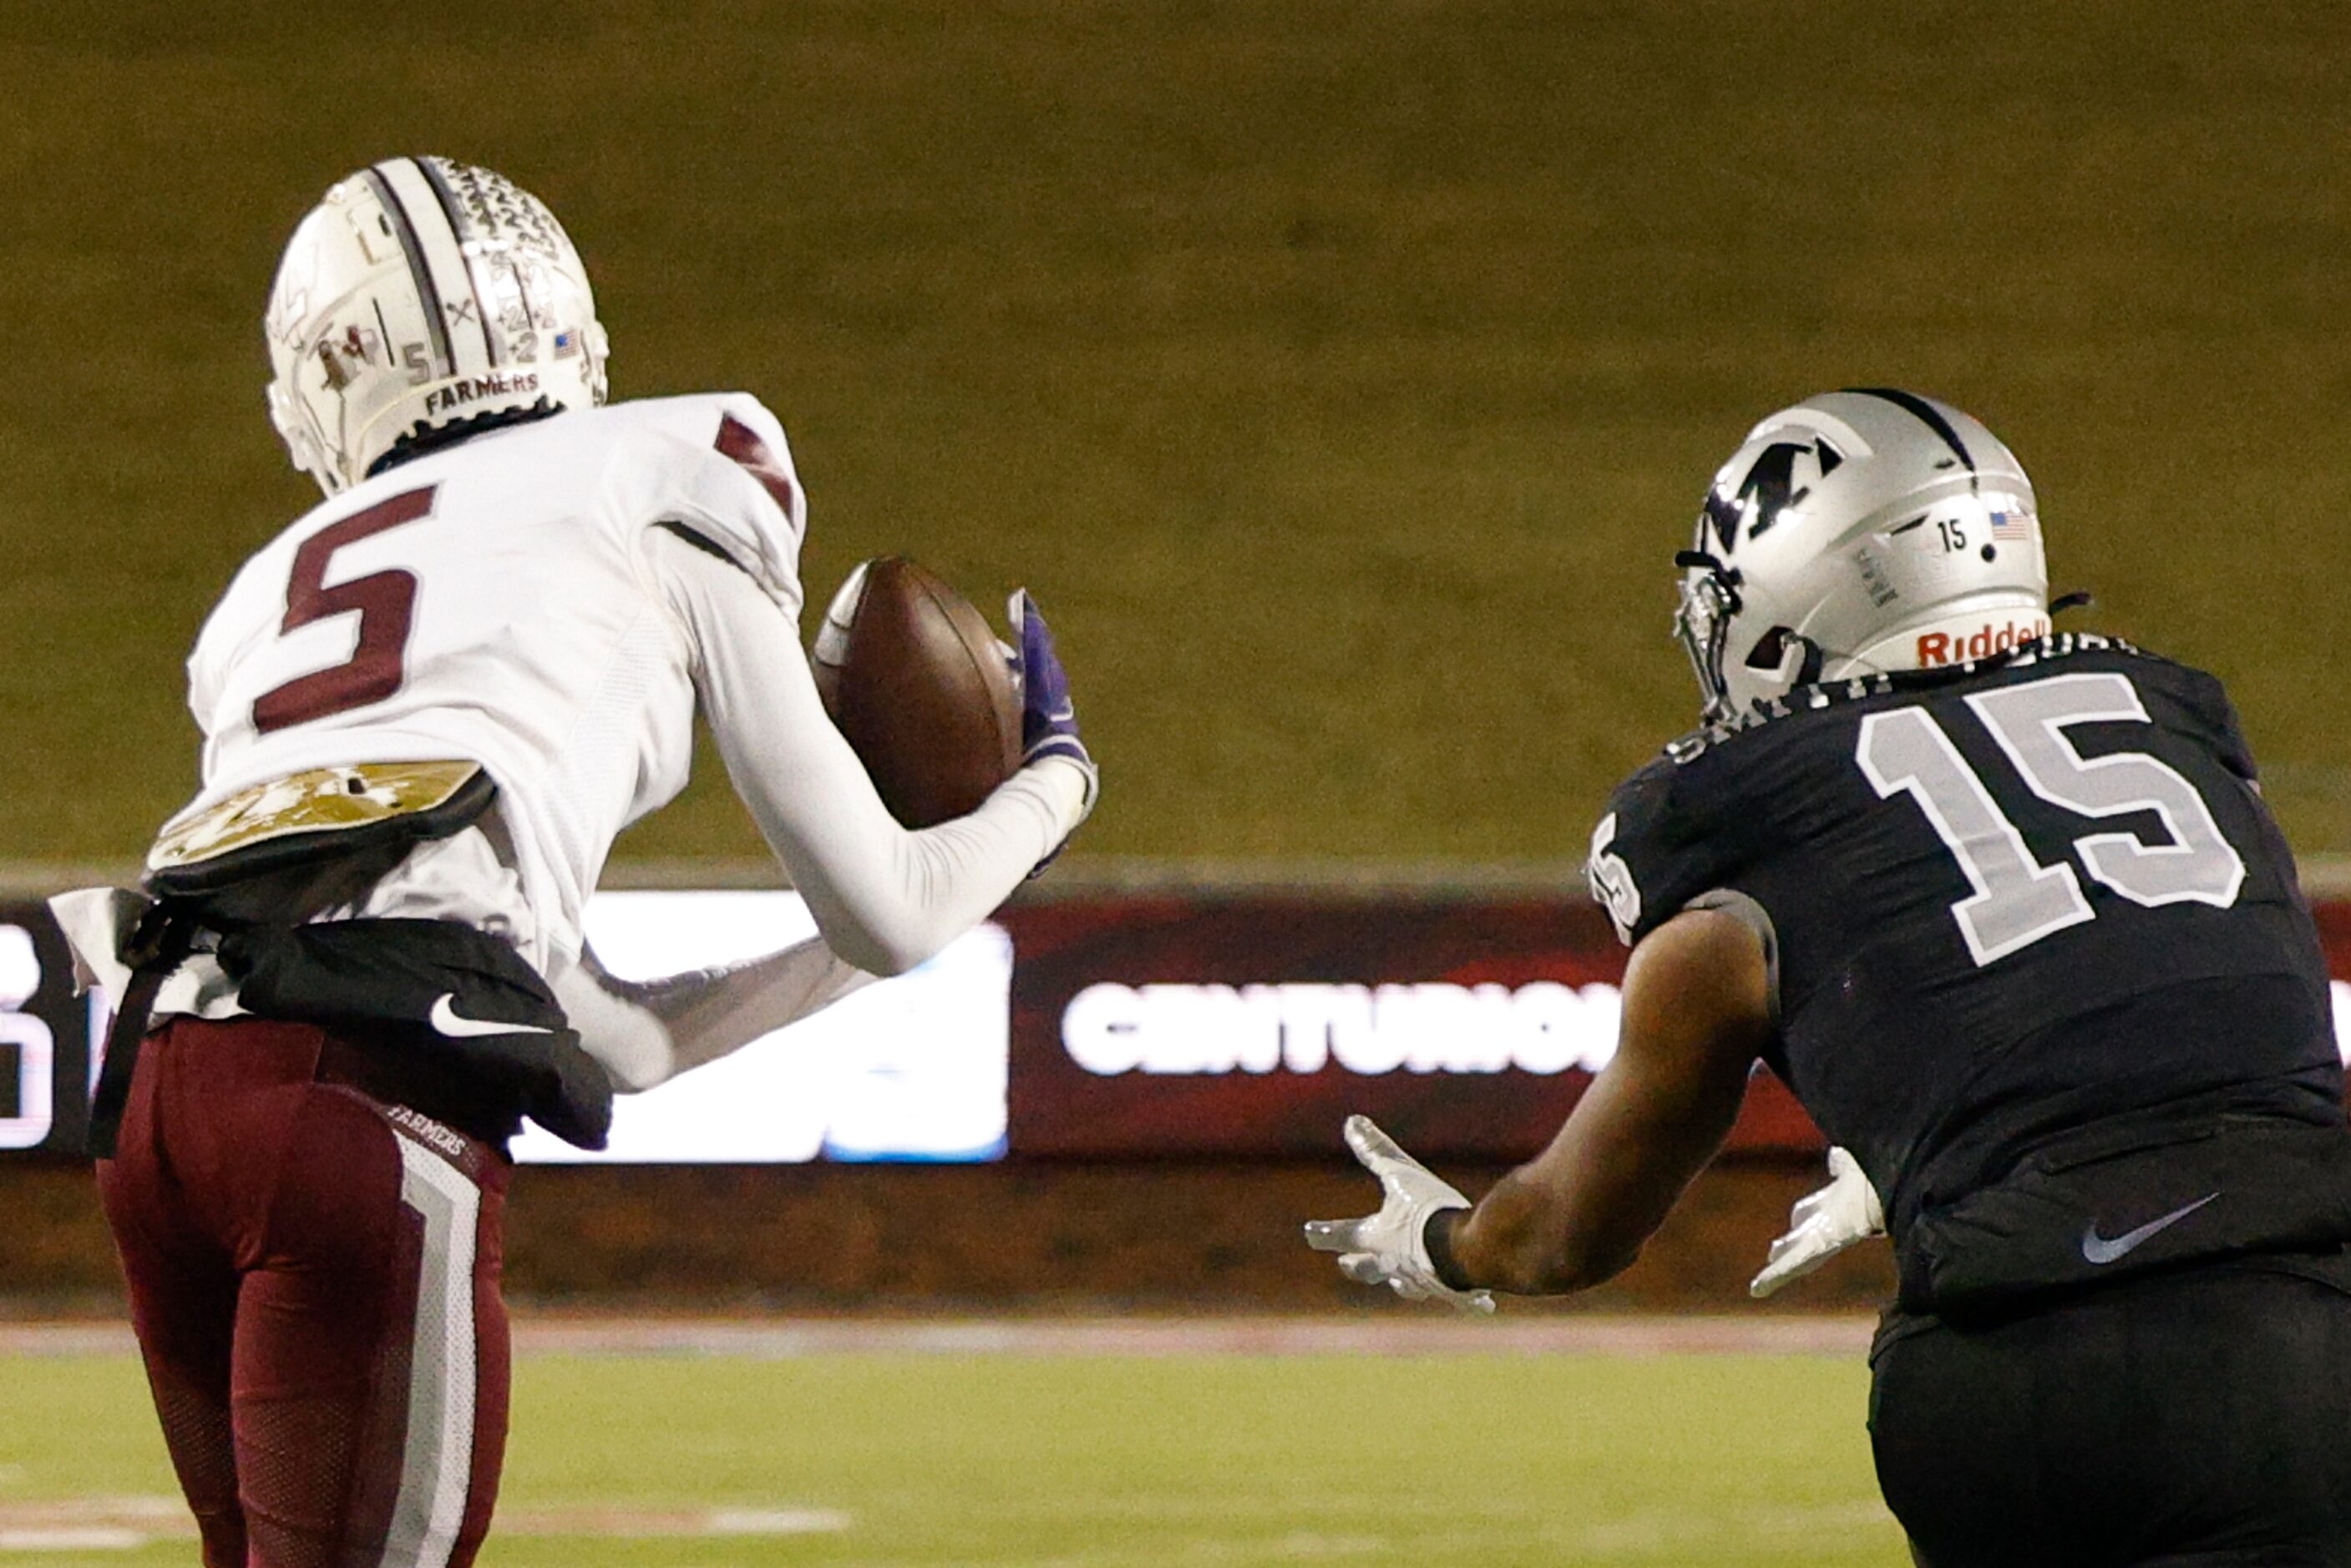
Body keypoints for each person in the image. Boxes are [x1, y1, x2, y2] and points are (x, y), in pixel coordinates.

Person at [52, 155, 1097, 1568]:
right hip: (357, 1110)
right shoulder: (662, 474)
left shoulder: (268, 594)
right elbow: (891, 908)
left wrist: (926, 909)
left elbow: (626, 1044)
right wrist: (1047, 793)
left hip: (163, 1104)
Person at [1309, 390, 2351, 1565]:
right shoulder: (2178, 718)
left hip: (2009, 1376)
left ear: (1796, 589)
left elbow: (1572, 1230)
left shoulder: (1729, 813)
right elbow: (2201, 996)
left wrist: (1447, 1242)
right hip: (2302, 1338)